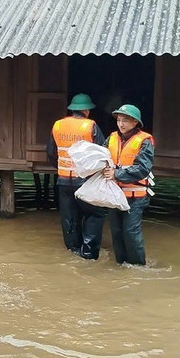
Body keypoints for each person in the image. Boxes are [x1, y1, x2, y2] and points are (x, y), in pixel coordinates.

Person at [46, 93, 107, 259]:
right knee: (94, 213)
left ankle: (72, 250)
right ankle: (88, 253)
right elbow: (101, 152)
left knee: (69, 216)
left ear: (72, 110)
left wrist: (61, 167)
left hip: (64, 180)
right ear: (86, 111)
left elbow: (51, 153)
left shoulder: (58, 125)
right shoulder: (90, 125)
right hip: (84, 180)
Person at [103, 104, 155, 266]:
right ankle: (121, 265)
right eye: (119, 120)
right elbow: (101, 157)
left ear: (135, 123)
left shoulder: (145, 141)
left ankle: (138, 267)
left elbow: (142, 168)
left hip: (135, 197)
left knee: (131, 231)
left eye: (125, 120)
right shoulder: (111, 138)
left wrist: (116, 174)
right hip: (114, 194)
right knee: (117, 232)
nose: (121, 124)